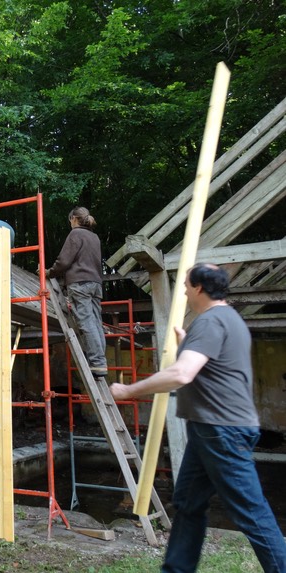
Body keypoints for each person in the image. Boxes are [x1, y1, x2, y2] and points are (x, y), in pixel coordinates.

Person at [110, 263, 286, 573]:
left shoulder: (210, 322)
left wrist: (127, 390)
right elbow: (209, 368)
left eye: (187, 286)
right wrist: (184, 343)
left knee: (251, 511)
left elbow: (182, 373)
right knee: (188, 502)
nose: (185, 292)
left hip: (221, 430)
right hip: (210, 430)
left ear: (200, 289)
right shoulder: (228, 319)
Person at [45, 207, 107, 377]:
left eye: (69, 220)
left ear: (73, 218)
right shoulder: (94, 237)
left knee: (86, 322)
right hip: (95, 283)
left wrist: (50, 272)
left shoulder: (75, 234)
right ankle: (101, 361)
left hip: (80, 284)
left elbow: (64, 261)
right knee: (96, 322)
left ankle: (97, 362)